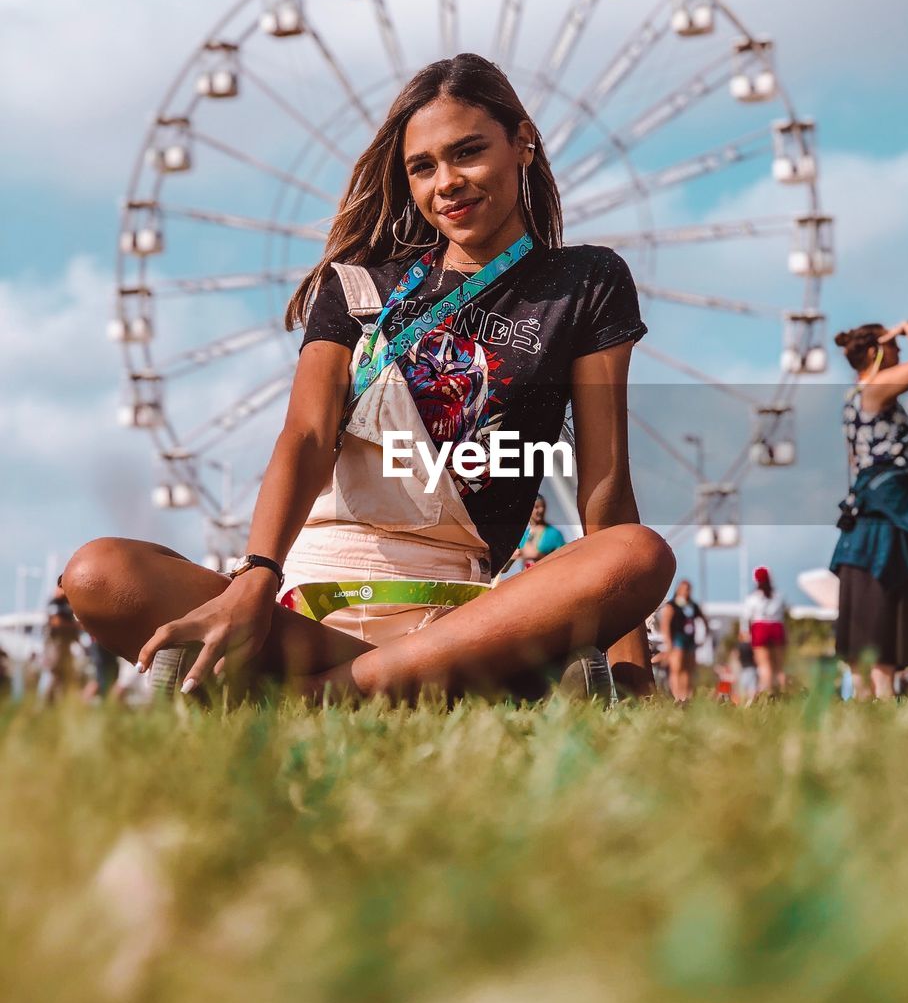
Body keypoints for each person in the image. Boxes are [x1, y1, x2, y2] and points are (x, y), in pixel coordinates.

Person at [62, 53, 675, 703]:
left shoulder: (584, 283)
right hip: (306, 613)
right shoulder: (356, 284)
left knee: (636, 554)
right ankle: (462, 689)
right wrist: (254, 578)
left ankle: (317, 696)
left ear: (522, 141)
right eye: (422, 167)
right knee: (99, 573)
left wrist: (633, 671)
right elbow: (305, 435)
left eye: (467, 153)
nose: (447, 183)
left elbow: (603, 490)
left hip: (463, 616)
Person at [830, 320, 908, 698]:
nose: (900, 354)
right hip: (883, 518)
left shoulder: (855, 397)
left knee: (873, 602)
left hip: (874, 513)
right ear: (877, 353)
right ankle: (879, 695)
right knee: (880, 599)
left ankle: (872, 696)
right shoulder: (875, 389)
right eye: (893, 348)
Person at [656, 579, 705, 702]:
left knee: (688, 669)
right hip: (677, 640)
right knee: (677, 669)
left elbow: (703, 620)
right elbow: (665, 623)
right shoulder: (672, 606)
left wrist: (704, 637)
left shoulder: (692, 606)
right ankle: (677, 696)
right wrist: (668, 642)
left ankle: (686, 695)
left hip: (690, 640)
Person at [743, 567, 788, 695]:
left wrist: (746, 634)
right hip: (777, 628)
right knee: (779, 667)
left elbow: (746, 618)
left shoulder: (752, 598)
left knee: (764, 666)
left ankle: (767, 695)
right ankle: (783, 695)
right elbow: (784, 614)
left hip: (760, 629)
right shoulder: (779, 596)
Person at [514, 495, 566, 569]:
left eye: (543, 506)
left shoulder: (554, 534)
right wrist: (514, 555)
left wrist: (539, 556)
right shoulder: (523, 535)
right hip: (528, 577)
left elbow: (564, 559)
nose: (541, 510)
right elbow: (505, 566)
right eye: (536, 507)